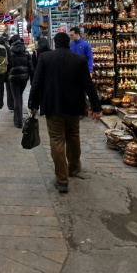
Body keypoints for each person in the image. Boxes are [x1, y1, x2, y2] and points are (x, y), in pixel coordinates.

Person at [28, 32, 102, 193]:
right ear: (69, 44)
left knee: (57, 139)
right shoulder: (79, 60)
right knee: (73, 135)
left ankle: (62, 180)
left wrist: (33, 103)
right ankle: (74, 167)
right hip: (74, 106)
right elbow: (88, 85)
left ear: (54, 44)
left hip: (53, 105)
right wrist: (96, 108)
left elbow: (36, 82)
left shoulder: (45, 58)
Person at [8, 35, 33, 128]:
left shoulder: (10, 52)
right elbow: (31, 67)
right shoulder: (26, 52)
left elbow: (7, 65)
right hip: (24, 77)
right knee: (19, 96)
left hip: (13, 78)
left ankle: (18, 121)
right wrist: (32, 78)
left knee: (16, 98)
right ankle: (19, 118)